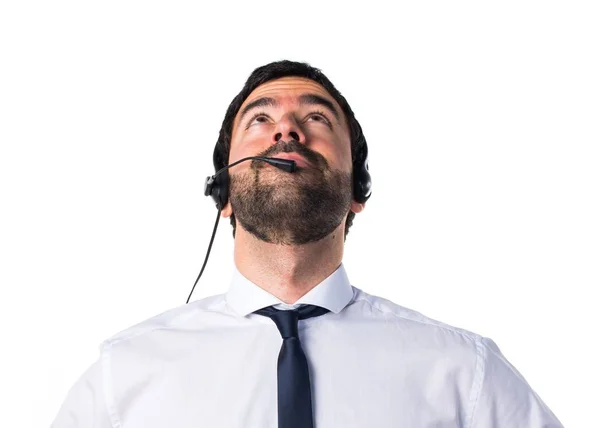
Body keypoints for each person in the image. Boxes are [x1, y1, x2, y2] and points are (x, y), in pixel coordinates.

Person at [51, 60, 564, 427]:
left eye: (316, 119)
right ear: (223, 196)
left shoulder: (463, 373)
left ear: (356, 194)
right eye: (261, 120)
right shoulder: (124, 377)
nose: (287, 131)